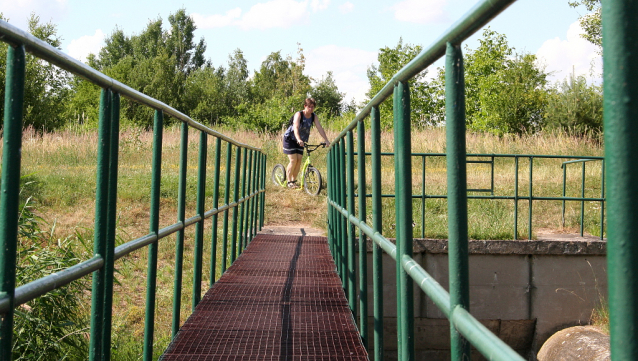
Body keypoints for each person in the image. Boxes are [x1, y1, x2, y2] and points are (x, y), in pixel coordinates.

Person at [282, 97, 331, 188]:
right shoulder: (299, 114)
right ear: (305, 106)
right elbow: (295, 127)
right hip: (290, 138)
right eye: (309, 107)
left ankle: (293, 181)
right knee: (293, 160)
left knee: (299, 160)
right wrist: (298, 139)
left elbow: (319, 128)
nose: (311, 109)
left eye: (312, 107)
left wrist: (326, 140)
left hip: (301, 140)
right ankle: (289, 182)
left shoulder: (313, 116)